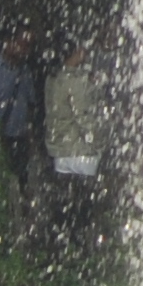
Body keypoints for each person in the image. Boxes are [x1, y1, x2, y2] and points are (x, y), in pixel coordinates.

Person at [0, 27, 41, 183]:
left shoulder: (24, 71)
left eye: (29, 46)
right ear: (7, 42)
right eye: (22, 44)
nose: (25, 50)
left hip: (20, 138)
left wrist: (30, 136)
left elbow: (29, 104)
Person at [44, 41, 104, 181]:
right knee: (85, 197)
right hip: (79, 152)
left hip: (59, 151)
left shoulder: (52, 78)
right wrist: (98, 143)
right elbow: (84, 117)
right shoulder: (74, 81)